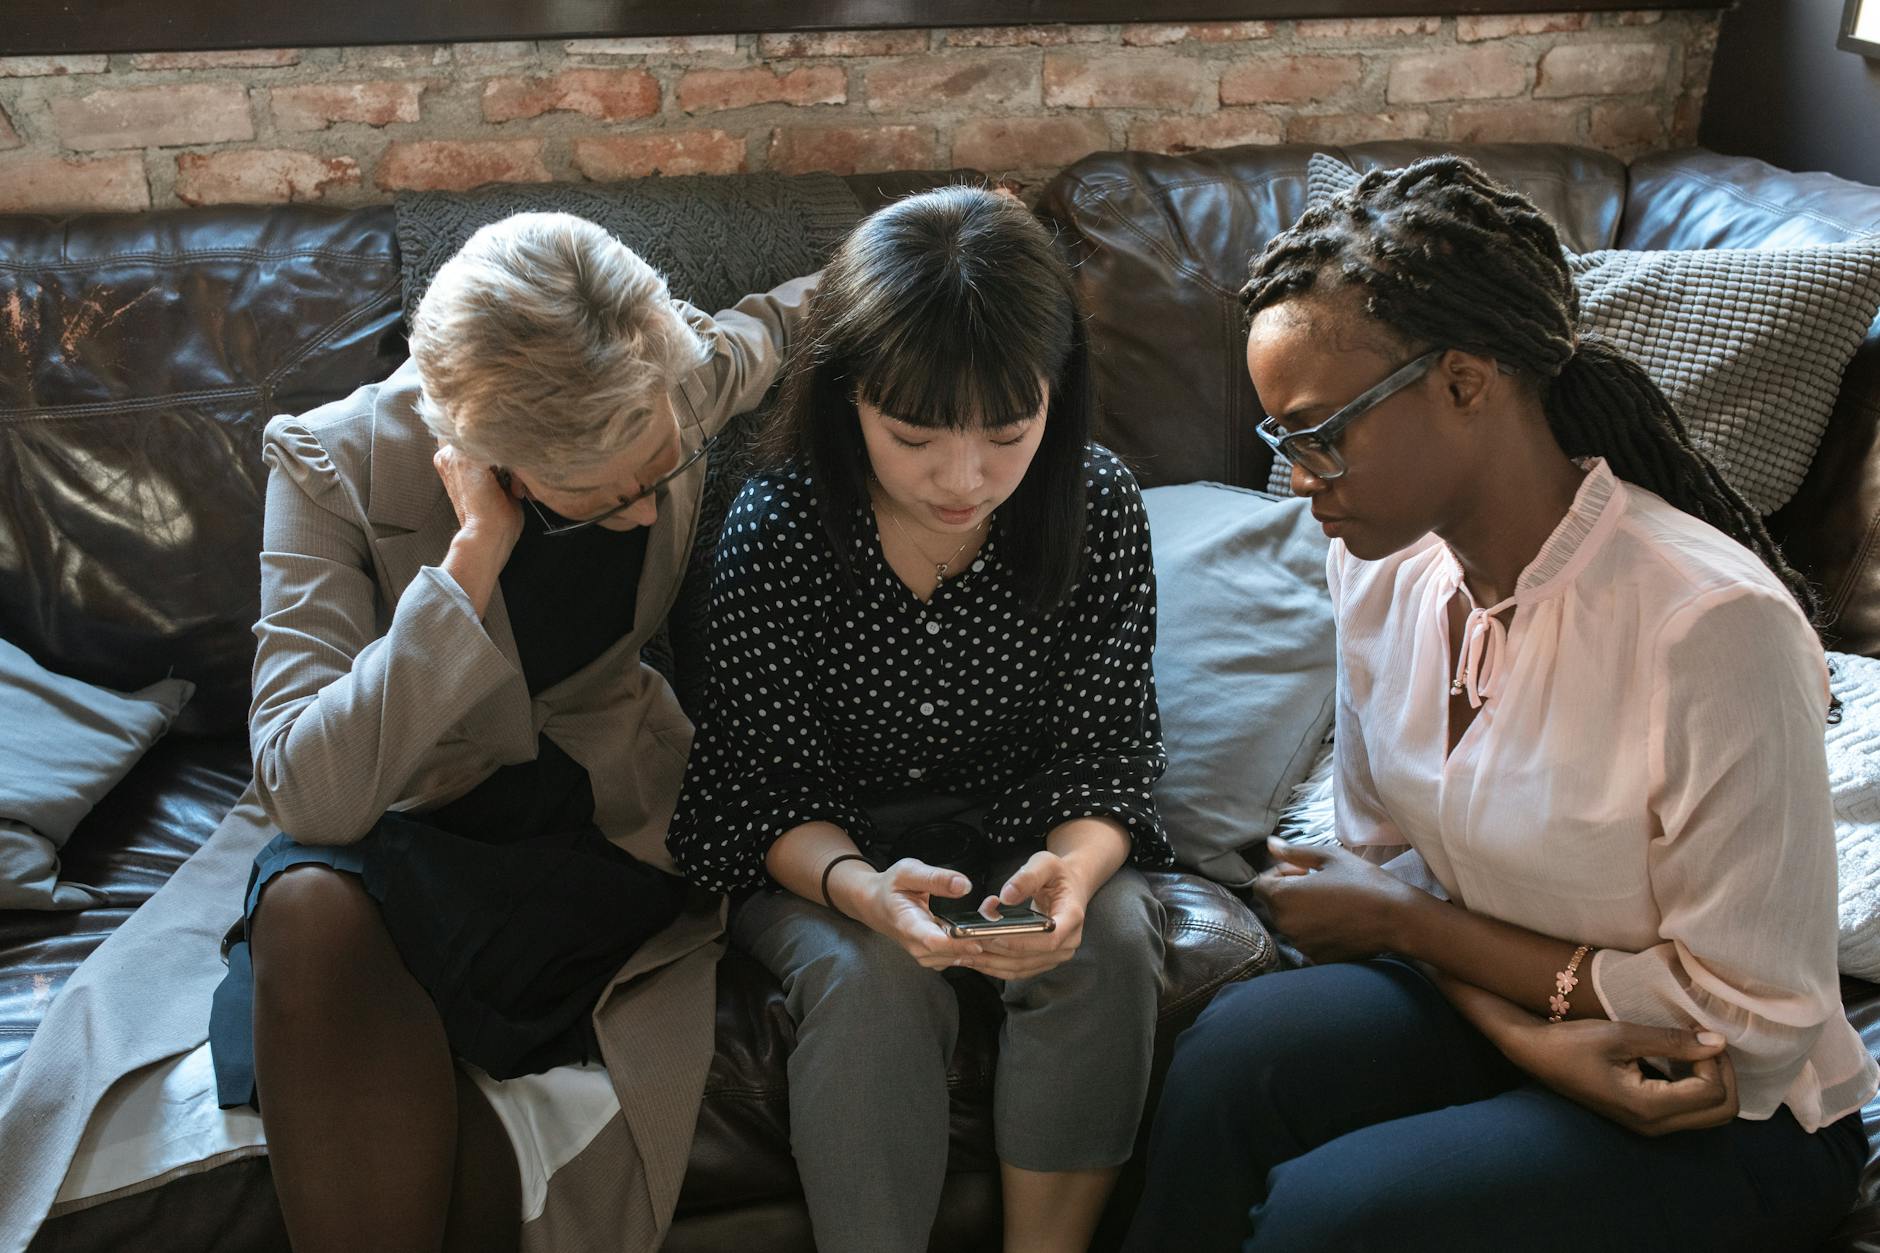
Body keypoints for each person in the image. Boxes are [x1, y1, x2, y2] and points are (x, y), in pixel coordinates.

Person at [1123, 157, 1877, 1252]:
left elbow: (1746, 1026)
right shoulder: (1381, 564)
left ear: (1465, 383)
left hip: (1724, 1105)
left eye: (1319, 433)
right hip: (1525, 1012)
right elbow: (1381, 878)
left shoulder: (1707, 626)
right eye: (1282, 441)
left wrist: (1416, 931)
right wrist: (1521, 1030)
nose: (1297, 480)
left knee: (1335, 1219)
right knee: (1232, 1059)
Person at [203, 212, 815, 1253]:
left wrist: (959, 234)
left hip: (595, 827)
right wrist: (470, 560)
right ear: (484, 459)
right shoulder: (328, 467)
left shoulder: (670, 376)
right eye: (596, 497)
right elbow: (305, 791)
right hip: (414, 818)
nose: (637, 512)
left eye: (659, 469)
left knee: (353, 1078)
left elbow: (788, 319)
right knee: (304, 905)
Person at [666, 186, 1174, 1253]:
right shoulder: (782, 526)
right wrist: (861, 887)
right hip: (821, 850)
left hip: (1014, 829)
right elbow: (757, 792)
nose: (962, 478)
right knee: (874, 976)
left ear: (1055, 394)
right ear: (849, 399)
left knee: (1112, 940)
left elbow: (1108, 756)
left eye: (1007, 432)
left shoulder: (1096, 503)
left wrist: (1073, 877)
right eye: (913, 436)